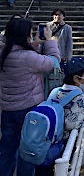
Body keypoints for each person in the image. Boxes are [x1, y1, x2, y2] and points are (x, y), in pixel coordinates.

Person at [0, 15, 60, 175]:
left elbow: (21, 52)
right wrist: (49, 40)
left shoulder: (3, 53)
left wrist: (35, 44)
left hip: (7, 111)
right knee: (27, 150)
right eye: (30, 33)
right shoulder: (29, 58)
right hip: (28, 112)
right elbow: (54, 62)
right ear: (24, 36)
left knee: (6, 150)